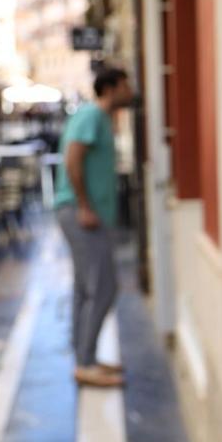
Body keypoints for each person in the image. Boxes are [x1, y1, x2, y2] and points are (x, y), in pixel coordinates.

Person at [55, 68, 134, 387]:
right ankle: (86, 362)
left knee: (85, 288)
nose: (131, 91)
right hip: (82, 213)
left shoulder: (98, 118)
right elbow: (73, 159)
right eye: (127, 85)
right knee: (103, 288)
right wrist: (85, 206)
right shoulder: (91, 116)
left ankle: (84, 358)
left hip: (83, 212)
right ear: (112, 88)